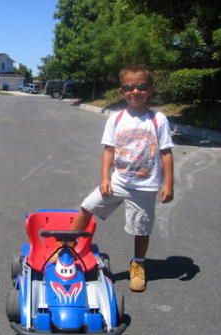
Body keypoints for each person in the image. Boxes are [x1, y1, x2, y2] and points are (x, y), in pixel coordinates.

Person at [72, 64, 174, 292]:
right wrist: (105, 179)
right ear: (121, 92)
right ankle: (69, 250)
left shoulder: (158, 119)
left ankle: (138, 264)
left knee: (141, 228)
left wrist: (168, 183)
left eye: (141, 86)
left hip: (145, 186)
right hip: (118, 181)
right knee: (86, 207)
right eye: (129, 87)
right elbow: (108, 150)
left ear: (150, 90)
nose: (135, 91)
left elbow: (166, 153)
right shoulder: (116, 119)